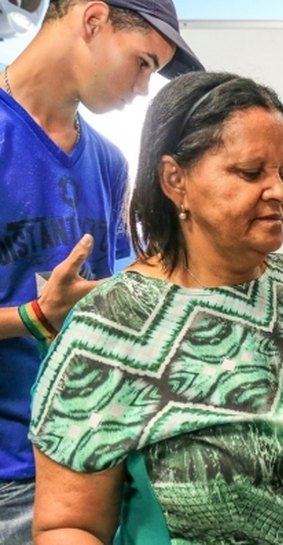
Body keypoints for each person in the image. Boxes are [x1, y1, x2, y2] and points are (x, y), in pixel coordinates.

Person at [28, 71, 283, 545]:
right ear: (175, 179)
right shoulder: (109, 327)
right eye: (251, 173)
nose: (280, 193)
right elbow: (69, 525)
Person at [0, 1, 202, 543]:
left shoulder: (109, 162)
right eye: (142, 63)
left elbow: (115, 291)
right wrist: (34, 315)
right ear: (92, 21)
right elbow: (50, 311)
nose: (142, 88)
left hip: (85, 454)